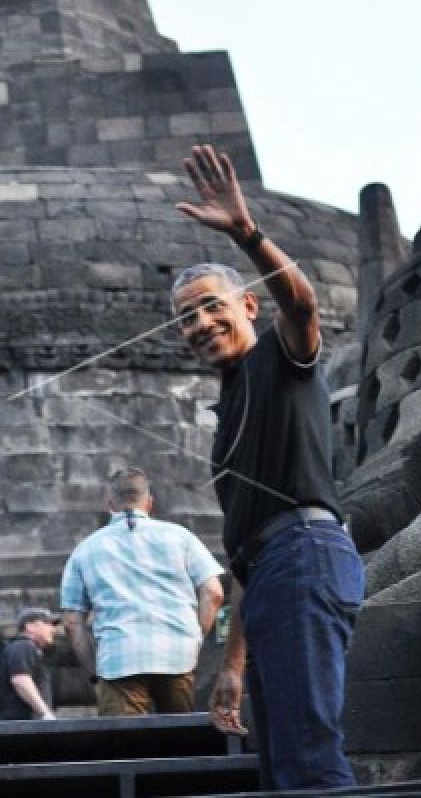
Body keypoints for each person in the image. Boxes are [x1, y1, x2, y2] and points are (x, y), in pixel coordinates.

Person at [169, 144, 366, 790]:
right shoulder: (228, 419)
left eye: (211, 306)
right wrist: (231, 661)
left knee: (310, 757)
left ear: (247, 307)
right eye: (185, 318)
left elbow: (303, 305)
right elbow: (247, 553)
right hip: (276, 573)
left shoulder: (281, 359)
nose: (199, 324)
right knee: (281, 769)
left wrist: (246, 232)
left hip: (308, 554)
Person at [60, 467, 225, 715]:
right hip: (177, 655)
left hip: (118, 659)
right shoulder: (181, 537)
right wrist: (194, 638)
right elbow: (214, 593)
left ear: (110, 504)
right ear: (149, 503)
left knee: (126, 749)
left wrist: (95, 671)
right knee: (184, 746)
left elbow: (73, 622)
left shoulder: (85, 549)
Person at [0, 607, 59, 720]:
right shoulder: (23, 646)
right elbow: (20, 680)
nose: (53, 630)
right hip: (22, 727)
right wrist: (46, 714)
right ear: (30, 626)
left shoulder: (22, 648)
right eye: (48, 624)